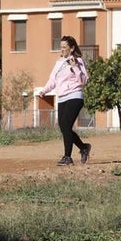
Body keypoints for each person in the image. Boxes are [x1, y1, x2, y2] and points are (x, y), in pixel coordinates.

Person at [39, 35, 91, 166]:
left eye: (64, 47)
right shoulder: (59, 63)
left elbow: (83, 81)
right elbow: (52, 80)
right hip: (62, 98)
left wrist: (75, 67)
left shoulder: (78, 61)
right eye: (60, 47)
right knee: (63, 127)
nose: (61, 50)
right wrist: (44, 91)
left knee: (66, 126)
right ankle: (83, 147)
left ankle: (67, 157)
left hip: (75, 96)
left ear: (72, 48)